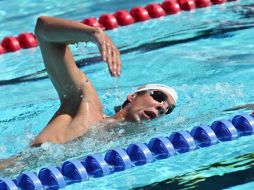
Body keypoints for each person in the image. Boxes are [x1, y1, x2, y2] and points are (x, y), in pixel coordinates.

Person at [30, 16, 178, 147]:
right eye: (159, 97)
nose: (162, 107)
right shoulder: (87, 107)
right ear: (132, 96)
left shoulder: (124, 147)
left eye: (168, 110)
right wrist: (93, 33)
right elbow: (43, 29)